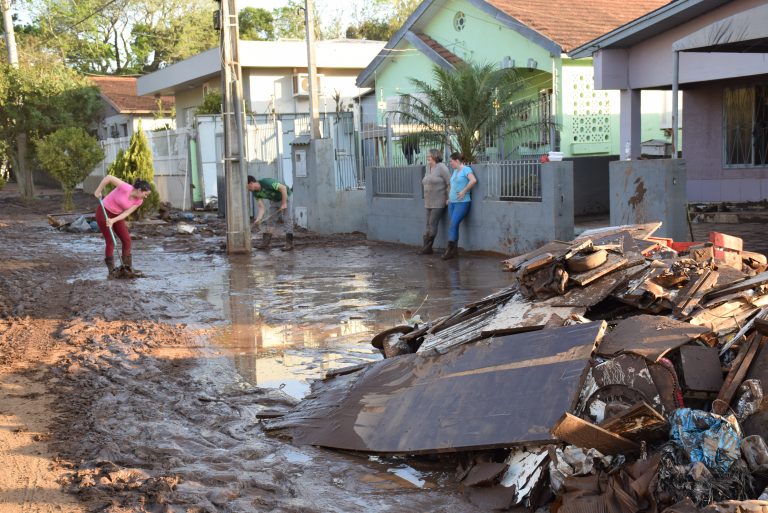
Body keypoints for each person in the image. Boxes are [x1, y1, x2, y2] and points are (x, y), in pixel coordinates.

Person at [93, 176, 152, 276]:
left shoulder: (139, 201)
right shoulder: (125, 187)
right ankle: (111, 271)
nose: (145, 197)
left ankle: (127, 269)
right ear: (139, 190)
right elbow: (108, 178)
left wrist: (113, 220)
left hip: (116, 216)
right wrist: (98, 191)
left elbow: (125, 214)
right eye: (145, 194)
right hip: (104, 212)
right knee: (111, 240)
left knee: (127, 240)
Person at [443, 152, 477, 260]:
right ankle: (454, 251)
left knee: (453, 224)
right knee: (454, 225)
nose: (450, 163)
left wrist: (464, 191)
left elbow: (473, 180)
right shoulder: (455, 171)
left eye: (451, 161)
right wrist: (449, 198)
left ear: (457, 160)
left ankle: (449, 251)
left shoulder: (466, 169)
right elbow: (453, 186)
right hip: (452, 203)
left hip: (462, 203)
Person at [247, 175, 294, 251]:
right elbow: (261, 207)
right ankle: (265, 244)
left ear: (251, 183)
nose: (247, 189)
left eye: (247, 186)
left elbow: (283, 188)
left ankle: (289, 244)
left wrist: (284, 203)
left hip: (286, 196)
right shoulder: (255, 193)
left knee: (287, 219)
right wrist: (258, 219)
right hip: (274, 201)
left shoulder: (266, 183)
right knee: (271, 221)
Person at [419, 149, 451, 255]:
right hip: (428, 201)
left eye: (429, 155)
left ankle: (427, 247)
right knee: (427, 224)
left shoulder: (441, 167)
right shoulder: (427, 168)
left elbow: (449, 182)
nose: (427, 157)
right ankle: (427, 248)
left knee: (432, 223)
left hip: (439, 201)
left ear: (434, 156)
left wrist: (448, 198)